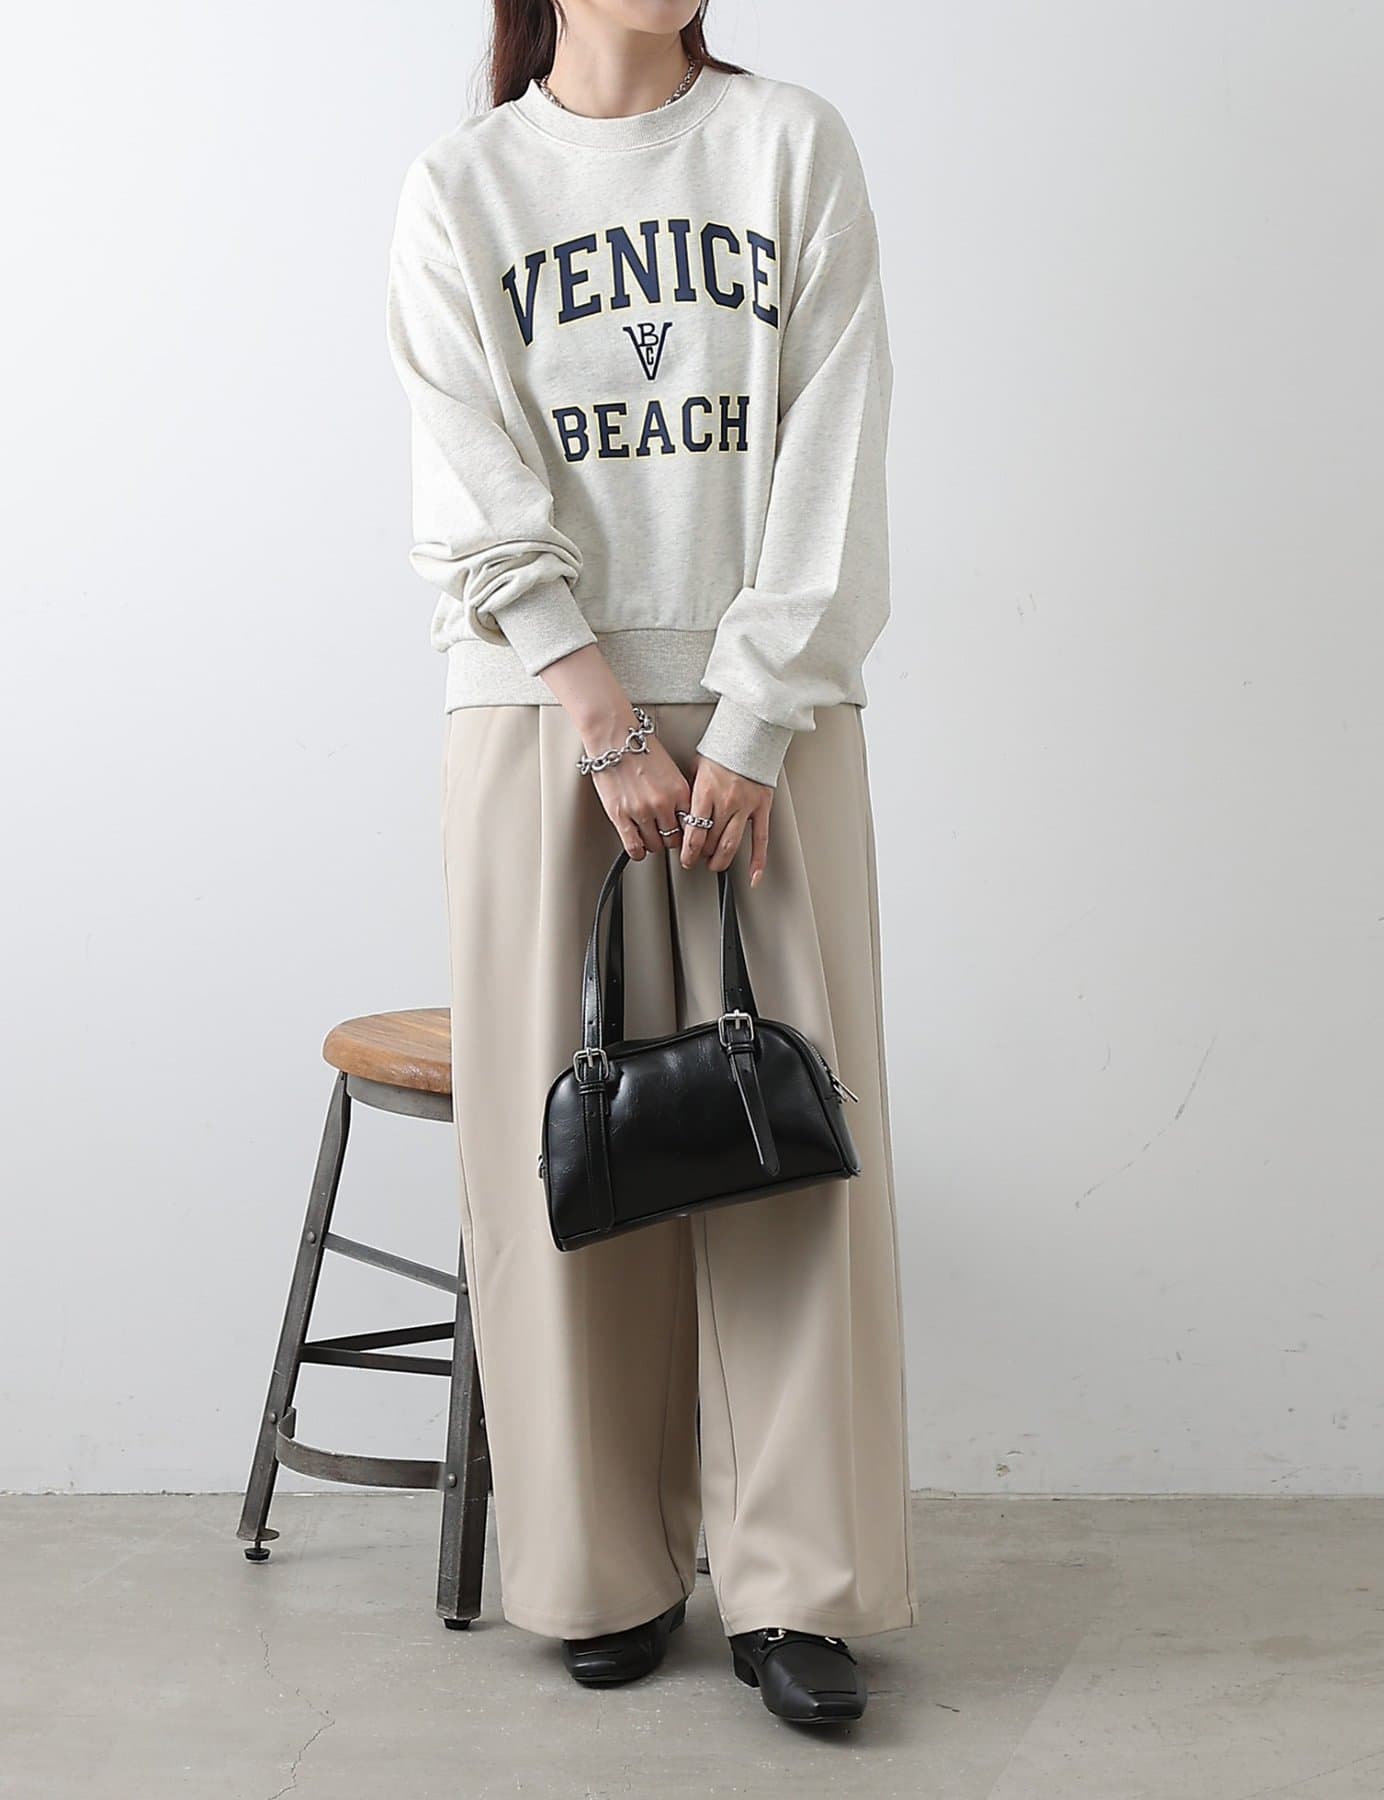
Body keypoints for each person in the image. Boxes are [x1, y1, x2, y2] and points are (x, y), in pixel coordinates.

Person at [385, 0, 916, 1728]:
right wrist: (602, 715)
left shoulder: (789, 147)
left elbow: (834, 452)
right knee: (567, 1144)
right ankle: (599, 1565)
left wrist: (751, 721)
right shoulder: (466, 186)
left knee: (792, 1147)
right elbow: (468, 475)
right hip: (542, 714)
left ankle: (796, 1588)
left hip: (772, 718)